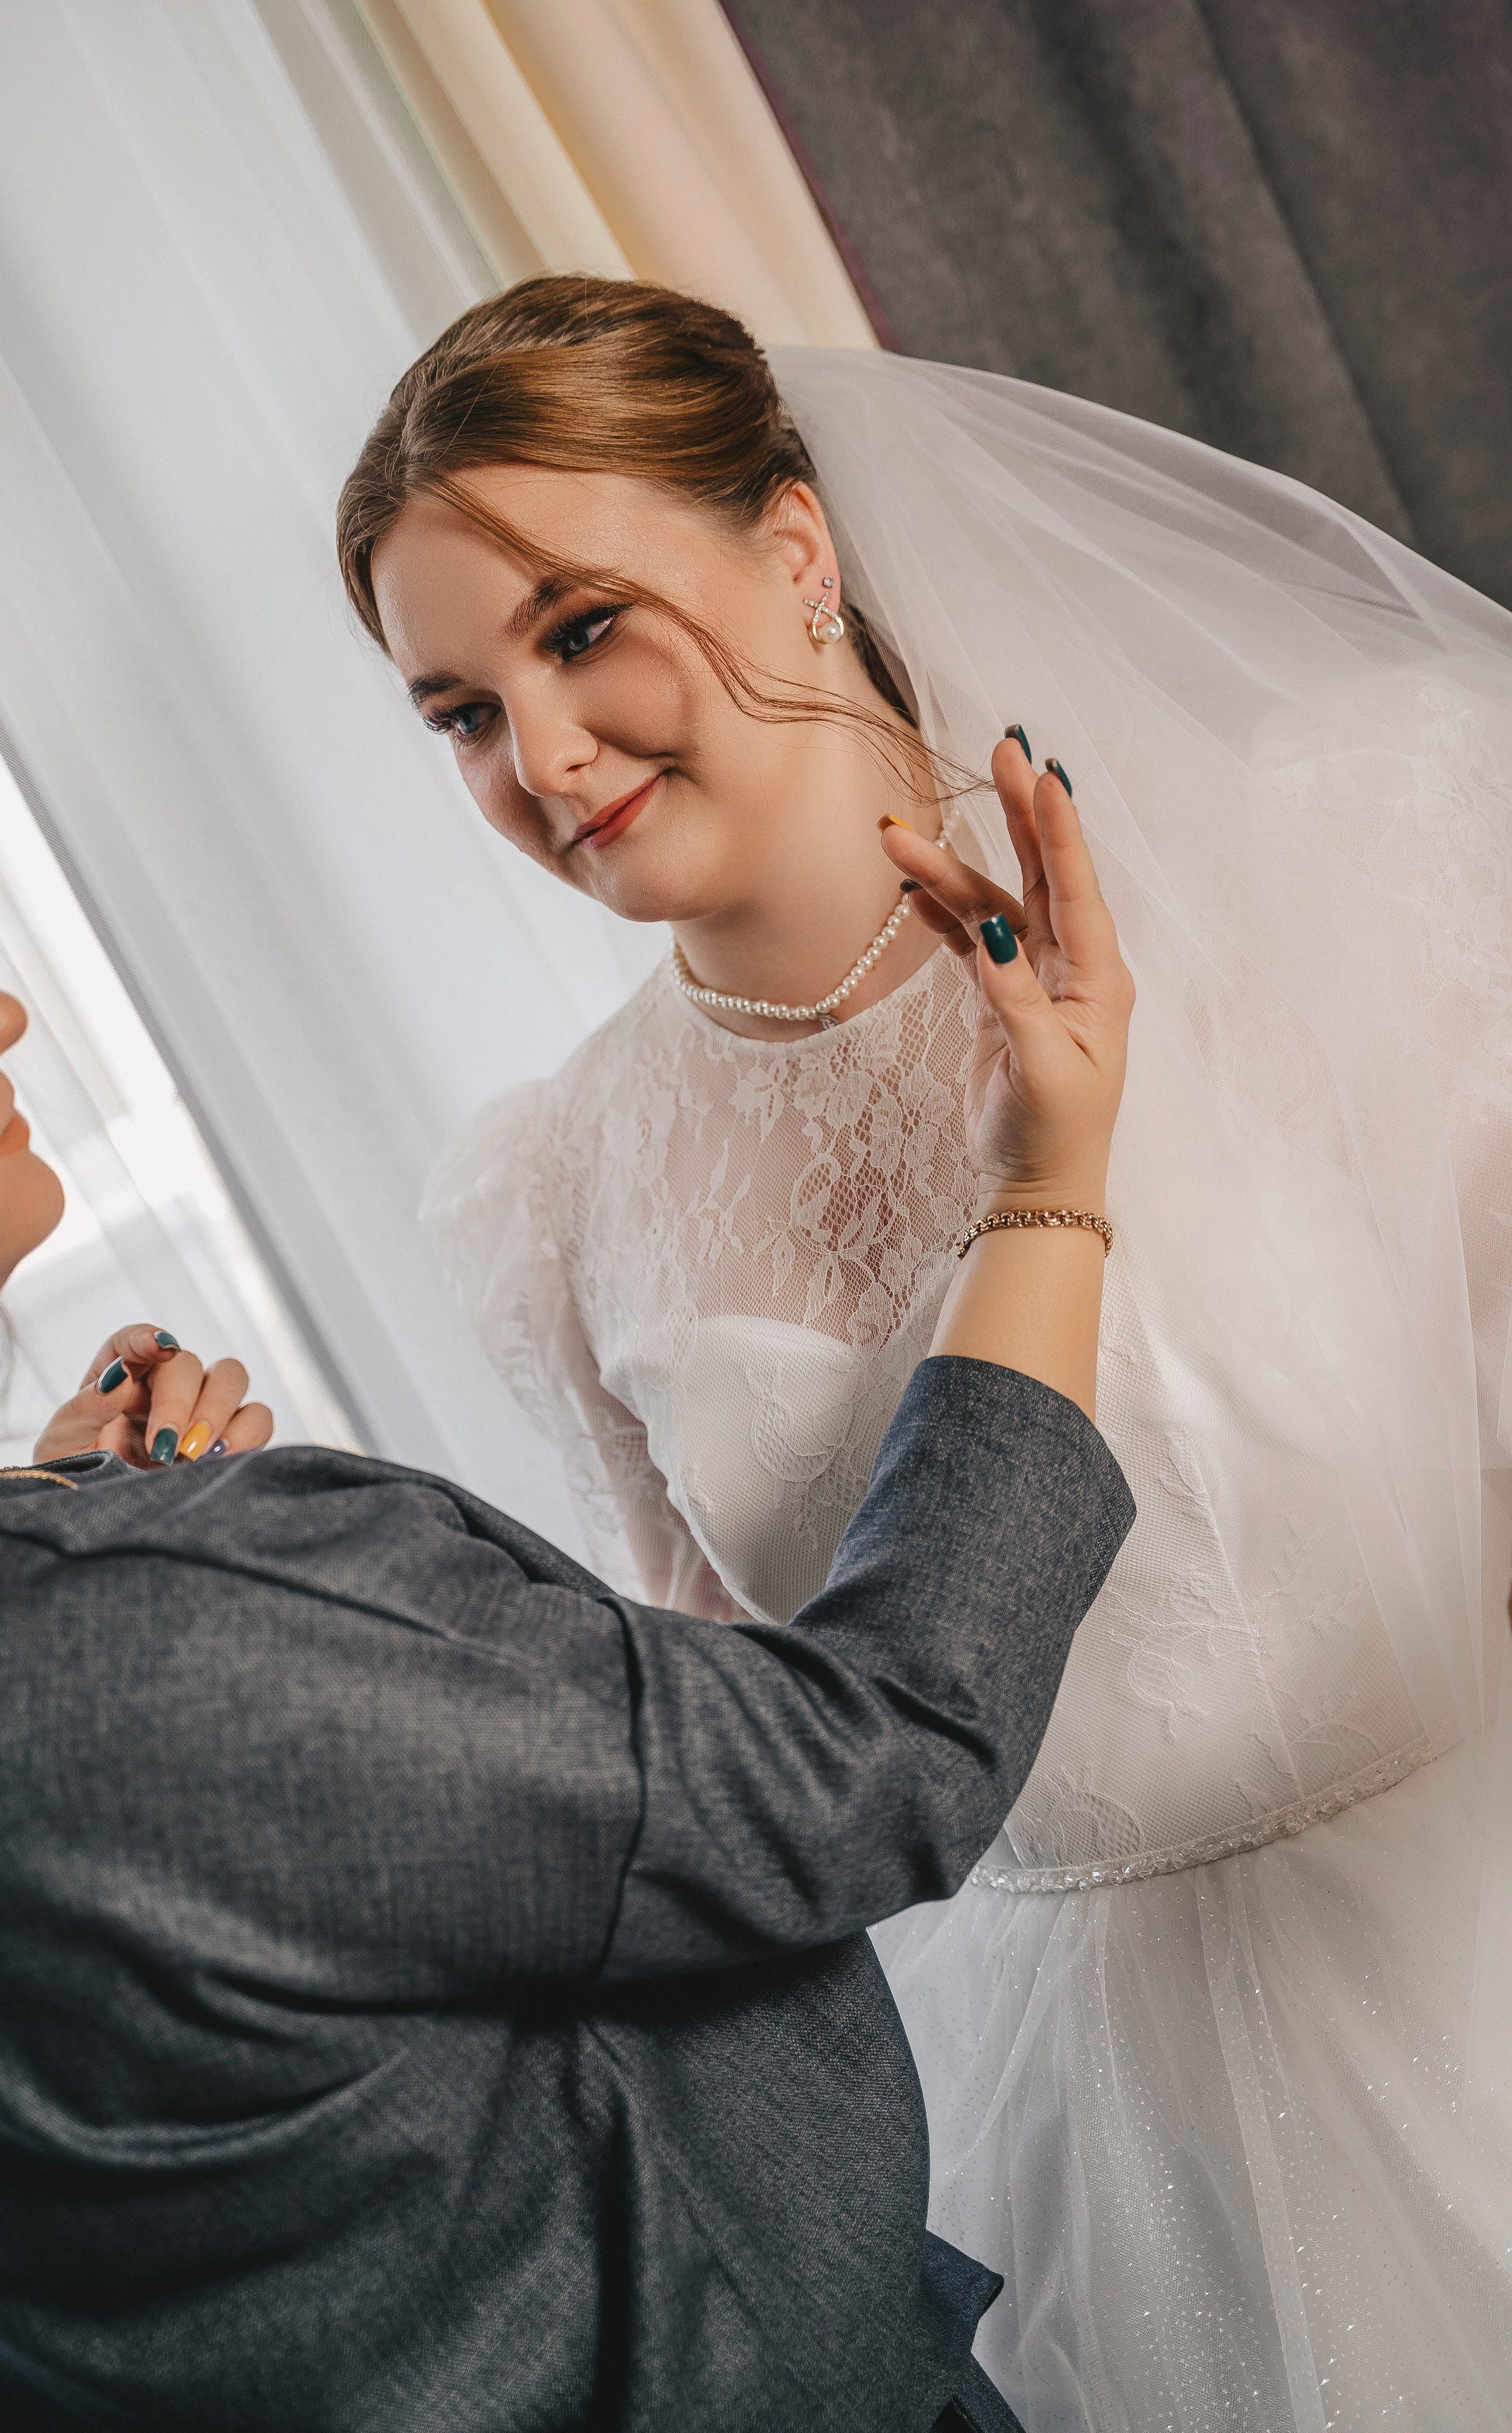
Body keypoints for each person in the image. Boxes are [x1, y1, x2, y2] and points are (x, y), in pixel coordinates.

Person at [340, 278, 1512, 2432]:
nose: (545, 758)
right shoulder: (550, 1203)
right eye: (462, 713)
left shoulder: (1295, 854)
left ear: (795, 548)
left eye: (582, 625)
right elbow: (748, 1776)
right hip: (1081, 2135)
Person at [0, 778, 1134, 2433]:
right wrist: (1052, 1190)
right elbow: (878, 1758)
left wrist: (50, 1530)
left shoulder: (47, 1622)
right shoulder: (140, 1638)